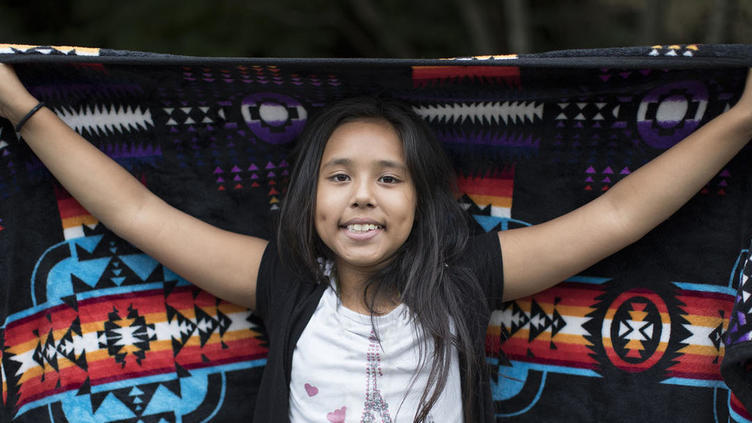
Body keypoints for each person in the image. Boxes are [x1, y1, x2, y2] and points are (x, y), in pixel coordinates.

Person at [0, 62, 751, 422]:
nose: (362, 195)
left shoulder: (467, 277)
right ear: (307, 199)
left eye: (389, 178)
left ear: (424, 203)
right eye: (339, 177)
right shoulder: (285, 281)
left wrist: (741, 120)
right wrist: (20, 106)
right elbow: (134, 209)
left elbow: (620, 213)